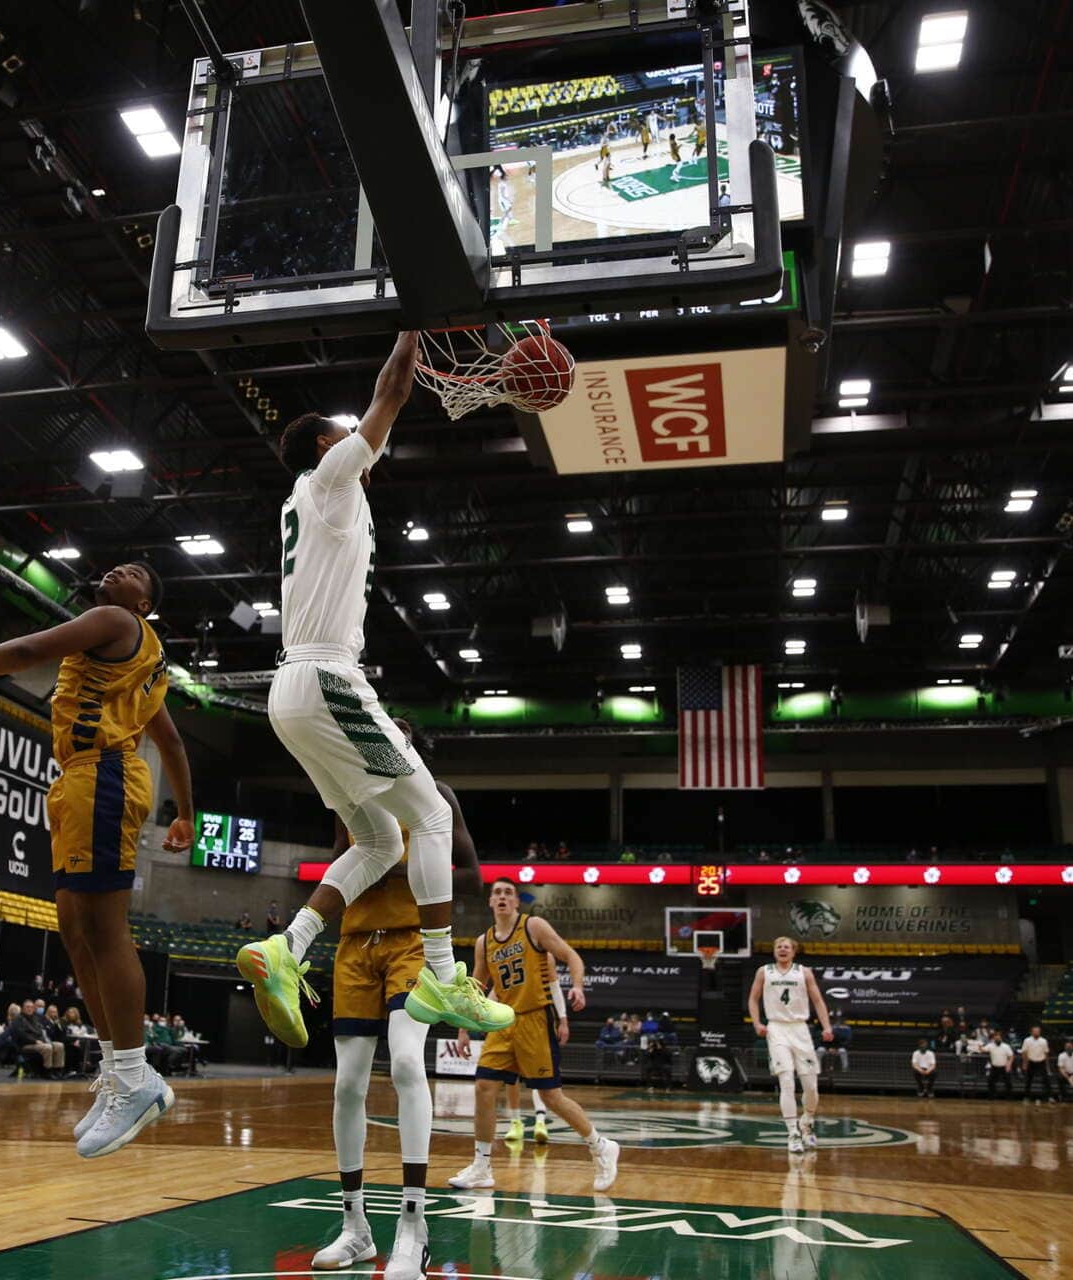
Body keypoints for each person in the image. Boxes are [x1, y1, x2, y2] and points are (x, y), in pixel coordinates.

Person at [240, 334, 511, 1057]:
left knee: (378, 836)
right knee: (428, 816)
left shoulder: (316, 502)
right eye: (346, 431)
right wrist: (411, 328)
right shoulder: (329, 479)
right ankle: (445, 975)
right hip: (327, 678)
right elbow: (389, 395)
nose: (363, 441)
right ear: (328, 444)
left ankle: (288, 948)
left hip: (294, 689)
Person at [0, 558, 194, 1160]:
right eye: (120, 564)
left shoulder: (113, 620)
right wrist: (186, 811)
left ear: (143, 606)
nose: (121, 569)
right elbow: (170, 738)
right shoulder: (138, 666)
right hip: (80, 781)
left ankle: (138, 1075)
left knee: (105, 930)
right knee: (74, 929)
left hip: (104, 777)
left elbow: (30, 648)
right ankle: (117, 1071)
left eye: (139, 571)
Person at [312, 720, 479, 1279]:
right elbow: (344, 863)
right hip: (357, 945)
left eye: (397, 738)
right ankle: (355, 1228)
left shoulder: (437, 795)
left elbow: (472, 874)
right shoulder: (351, 790)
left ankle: (414, 1226)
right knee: (347, 1084)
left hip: (413, 942)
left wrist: (404, 867)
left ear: (409, 747)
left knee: (408, 1062)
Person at [448, 878, 620, 1193]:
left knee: (552, 1097)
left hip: (536, 1022)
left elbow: (572, 957)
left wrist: (578, 986)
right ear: (490, 902)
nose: (502, 897)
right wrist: (462, 1028)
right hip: (504, 1022)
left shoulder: (534, 927)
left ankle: (600, 1146)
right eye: (496, 893)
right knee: (484, 1087)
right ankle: (481, 1167)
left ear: (516, 902)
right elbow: (474, 989)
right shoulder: (483, 942)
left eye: (508, 893)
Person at [746, 936, 836, 1154]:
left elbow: (817, 1001)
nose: (782, 949)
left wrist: (827, 1027)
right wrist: (757, 1022)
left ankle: (807, 1122)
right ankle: (792, 1133)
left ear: (794, 952)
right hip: (776, 1028)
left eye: (787, 947)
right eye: (779, 946)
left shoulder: (803, 972)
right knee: (786, 1080)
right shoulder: (764, 971)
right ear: (774, 951)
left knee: (811, 1086)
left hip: (800, 1028)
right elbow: (752, 999)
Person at [1021, 1024, 1052, 1103]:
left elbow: (1046, 1053)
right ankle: (1026, 1097)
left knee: (1046, 1080)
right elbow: (1024, 1052)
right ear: (1031, 1032)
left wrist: (1047, 1065)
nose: (1036, 1032)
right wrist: (1025, 1063)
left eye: (1038, 1031)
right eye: (1035, 1031)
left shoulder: (1044, 1041)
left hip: (1041, 1062)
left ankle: (1049, 1097)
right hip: (1031, 1062)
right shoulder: (1027, 1040)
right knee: (1028, 1080)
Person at [984, 1029, 1015, 1098]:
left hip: (1004, 1067)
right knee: (990, 1081)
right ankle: (992, 1096)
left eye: (999, 1037)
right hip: (994, 1067)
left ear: (1001, 1038)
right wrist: (979, 1046)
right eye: (996, 1037)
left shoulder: (1006, 1046)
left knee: (1008, 1083)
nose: (997, 1038)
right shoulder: (990, 1045)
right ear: (994, 1038)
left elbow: (1011, 1056)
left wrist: (1009, 1064)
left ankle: (1009, 1097)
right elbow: (983, 1049)